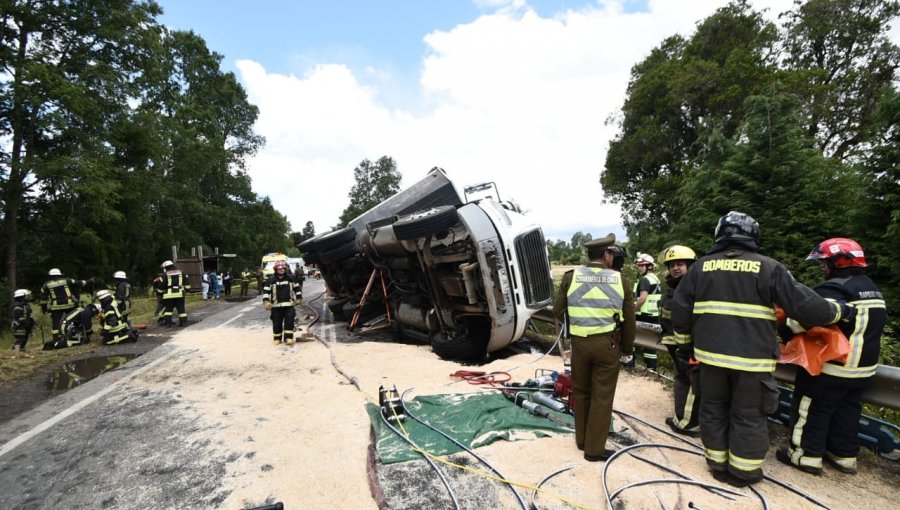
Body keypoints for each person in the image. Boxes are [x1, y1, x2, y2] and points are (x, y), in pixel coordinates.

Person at [671, 211, 854, 488]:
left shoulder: (700, 268)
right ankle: (743, 473)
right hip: (752, 363)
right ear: (753, 236)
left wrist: (684, 347)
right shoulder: (769, 268)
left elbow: (681, 310)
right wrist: (840, 311)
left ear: (720, 235)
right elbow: (805, 306)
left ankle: (718, 465)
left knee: (713, 410)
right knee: (748, 415)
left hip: (710, 360)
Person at [776, 238, 886, 476]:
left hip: (833, 367)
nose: (822, 267)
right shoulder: (871, 287)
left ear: (841, 261)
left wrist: (783, 327)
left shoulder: (834, 288)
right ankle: (844, 456)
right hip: (863, 371)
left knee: (811, 410)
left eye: (825, 262)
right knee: (847, 412)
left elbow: (807, 319)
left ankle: (805, 456)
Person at [552, 233, 635, 462]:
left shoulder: (572, 277)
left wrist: (578, 322)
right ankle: (594, 450)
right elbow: (629, 320)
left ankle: (581, 441)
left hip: (579, 344)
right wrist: (627, 349)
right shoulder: (621, 280)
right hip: (608, 345)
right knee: (602, 395)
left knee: (581, 391)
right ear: (607, 255)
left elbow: (557, 310)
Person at [658, 245, 700, 437]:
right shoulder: (673, 288)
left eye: (680, 264)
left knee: (692, 382)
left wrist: (688, 348)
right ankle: (681, 417)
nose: (675, 268)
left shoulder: (694, 288)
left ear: (690, 265)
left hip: (690, 346)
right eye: (672, 265)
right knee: (682, 380)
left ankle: (688, 424)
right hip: (675, 345)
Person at [40, 268, 90, 350]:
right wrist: (88, 281)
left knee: (56, 324)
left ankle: (56, 340)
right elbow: (78, 283)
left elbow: (43, 299)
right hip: (69, 305)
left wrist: (44, 308)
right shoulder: (67, 280)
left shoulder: (46, 285)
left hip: (56, 307)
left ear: (50, 276)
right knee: (73, 319)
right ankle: (76, 335)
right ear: (59, 275)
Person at [262, 260, 303, 346]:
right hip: (276, 306)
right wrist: (266, 302)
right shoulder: (270, 280)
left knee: (289, 321)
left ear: (285, 269)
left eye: (283, 268)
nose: (281, 270)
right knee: (276, 322)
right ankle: (277, 338)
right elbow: (266, 292)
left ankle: (288, 338)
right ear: (275, 269)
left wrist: (299, 298)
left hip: (289, 305)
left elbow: (297, 289)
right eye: (279, 269)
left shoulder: (291, 278)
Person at [632, 253, 662, 369]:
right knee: (650, 344)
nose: (639, 268)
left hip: (642, 314)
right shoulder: (655, 278)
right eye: (638, 266)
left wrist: (633, 309)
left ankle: (631, 363)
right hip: (654, 314)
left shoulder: (645, 280)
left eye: (641, 265)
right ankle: (651, 368)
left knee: (633, 339)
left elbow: (642, 298)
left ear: (649, 266)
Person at [156, 260, 190, 326]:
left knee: (168, 310)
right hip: (180, 294)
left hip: (168, 295)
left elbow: (161, 286)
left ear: (166, 267)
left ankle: (168, 323)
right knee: (181, 309)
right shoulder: (182, 273)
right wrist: (187, 290)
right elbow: (187, 283)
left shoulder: (165, 275)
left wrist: (160, 293)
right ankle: (183, 322)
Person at [11, 289, 35, 356]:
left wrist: (32, 322)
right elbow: (17, 316)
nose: (28, 297)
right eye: (26, 296)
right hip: (19, 326)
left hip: (26, 325)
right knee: (20, 338)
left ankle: (21, 349)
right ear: (22, 296)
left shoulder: (26, 305)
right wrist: (25, 322)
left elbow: (29, 314)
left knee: (25, 337)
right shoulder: (17, 305)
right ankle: (16, 351)